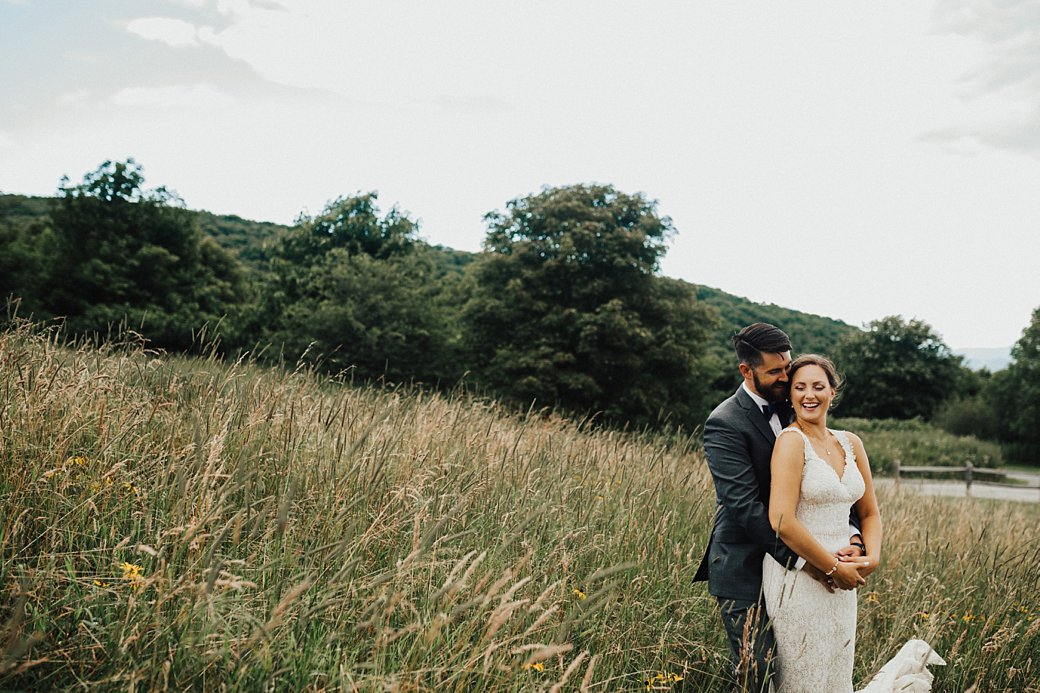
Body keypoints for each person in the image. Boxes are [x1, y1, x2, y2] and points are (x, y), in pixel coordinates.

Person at [694, 324, 867, 692]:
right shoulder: (724, 422)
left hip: (806, 564)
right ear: (746, 371)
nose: (786, 377)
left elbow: (830, 479)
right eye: (775, 371)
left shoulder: (796, 404)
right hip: (745, 565)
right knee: (757, 668)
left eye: (787, 366)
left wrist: (853, 537)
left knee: (806, 664)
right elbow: (744, 507)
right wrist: (811, 562)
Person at [762, 353, 881, 692]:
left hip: (845, 578)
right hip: (800, 577)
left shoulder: (851, 442)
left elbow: (869, 513)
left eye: (817, 386)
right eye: (799, 387)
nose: (808, 395)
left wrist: (870, 559)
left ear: (832, 391)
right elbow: (781, 520)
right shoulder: (790, 442)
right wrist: (832, 567)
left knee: (836, 672)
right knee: (804, 674)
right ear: (790, 395)